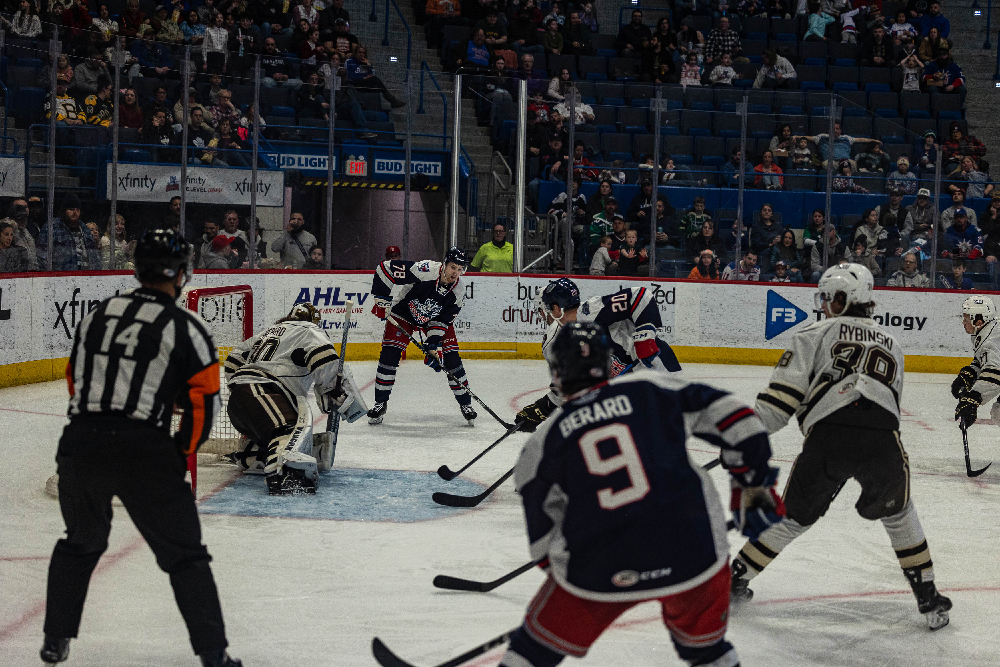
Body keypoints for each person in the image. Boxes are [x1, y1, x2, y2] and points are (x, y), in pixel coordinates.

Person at [501, 321, 779, 667]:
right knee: (707, 651)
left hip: (601, 570)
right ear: (607, 363)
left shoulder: (541, 445)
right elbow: (741, 420)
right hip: (696, 554)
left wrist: (573, 581)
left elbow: (543, 544)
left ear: (556, 373)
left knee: (532, 650)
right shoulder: (649, 388)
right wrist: (753, 489)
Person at [40, 229, 242, 667]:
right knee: (185, 556)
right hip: (144, 450)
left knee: (80, 543)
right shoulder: (186, 327)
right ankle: (214, 655)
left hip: (81, 443)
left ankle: (55, 640)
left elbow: (76, 381)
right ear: (182, 274)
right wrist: (177, 452)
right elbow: (203, 405)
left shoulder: (98, 313)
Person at [733, 263, 952, 631]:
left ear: (842, 298)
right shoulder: (893, 343)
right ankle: (928, 596)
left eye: (827, 297)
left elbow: (778, 405)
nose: (823, 304)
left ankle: (734, 580)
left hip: (828, 438)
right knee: (899, 514)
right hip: (882, 439)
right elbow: (890, 405)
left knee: (792, 518)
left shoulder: (813, 333)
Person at [223, 301, 364, 494]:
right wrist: (337, 392)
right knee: (288, 429)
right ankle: (286, 472)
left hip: (240, 402)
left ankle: (253, 454)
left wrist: (242, 390)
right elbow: (325, 358)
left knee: (272, 430)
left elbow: (232, 361)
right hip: (265, 392)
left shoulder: (268, 332)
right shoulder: (309, 330)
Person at [513, 278, 682, 432]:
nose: (544, 315)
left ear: (556, 309)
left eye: (547, 309)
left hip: (659, 369)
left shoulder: (590, 311)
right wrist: (541, 408)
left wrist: (645, 334)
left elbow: (640, 295)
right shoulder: (560, 340)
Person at [368, 248, 476, 425]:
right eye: (453, 267)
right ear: (444, 264)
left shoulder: (458, 292)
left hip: (433, 319)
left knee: (452, 359)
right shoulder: (425, 271)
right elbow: (385, 268)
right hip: (403, 313)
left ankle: (466, 404)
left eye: (460, 269)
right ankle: (380, 404)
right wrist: (381, 299)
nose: (455, 273)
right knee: (389, 355)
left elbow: (442, 322)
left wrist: (432, 346)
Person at [952, 296, 1000, 436]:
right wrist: (971, 373)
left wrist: (974, 397)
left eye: (966, 319)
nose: (963, 322)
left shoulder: (991, 338)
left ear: (978, 321)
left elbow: (995, 372)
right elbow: (985, 361)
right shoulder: (988, 331)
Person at [36, 195, 102, 271]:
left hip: (86, 277)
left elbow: (94, 256)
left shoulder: (85, 229)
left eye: (77, 210)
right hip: (60, 278)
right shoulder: (51, 227)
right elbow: (41, 257)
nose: (75, 213)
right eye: (71, 209)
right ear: (64, 210)